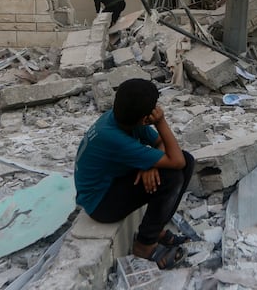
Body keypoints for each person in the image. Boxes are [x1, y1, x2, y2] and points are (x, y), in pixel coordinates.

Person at [74, 79, 195, 270]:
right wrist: (161, 122)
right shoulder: (112, 136)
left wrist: (149, 164)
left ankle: (156, 231)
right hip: (100, 203)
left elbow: (162, 146)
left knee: (187, 162)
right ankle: (145, 245)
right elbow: (175, 160)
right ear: (145, 119)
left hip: (111, 183)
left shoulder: (120, 119)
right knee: (172, 177)